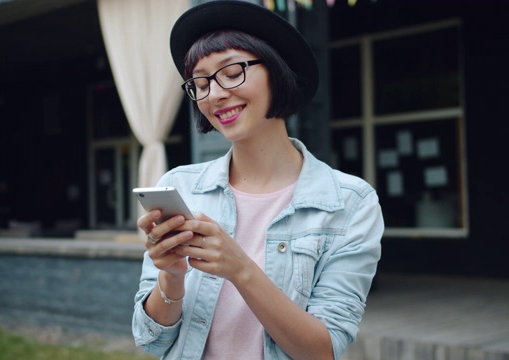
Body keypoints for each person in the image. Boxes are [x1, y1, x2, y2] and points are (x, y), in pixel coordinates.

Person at [132, 1, 383, 359]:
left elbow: (322, 351)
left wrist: (240, 269)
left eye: (231, 72)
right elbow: (151, 340)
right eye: (200, 82)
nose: (214, 94)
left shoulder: (350, 203)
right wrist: (171, 276)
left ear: (277, 71)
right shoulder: (181, 186)